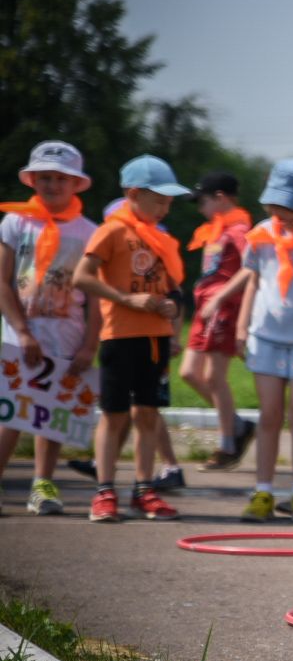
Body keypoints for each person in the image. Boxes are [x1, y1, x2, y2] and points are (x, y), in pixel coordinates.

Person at [209, 160, 293, 523]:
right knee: (269, 415)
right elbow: (253, 280)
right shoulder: (262, 235)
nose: (290, 223)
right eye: (283, 215)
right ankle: (262, 491)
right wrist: (239, 325)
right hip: (266, 335)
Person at [72, 155, 193, 522]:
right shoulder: (111, 231)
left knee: (148, 414)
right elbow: (82, 277)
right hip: (119, 336)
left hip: (154, 338)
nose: (165, 207)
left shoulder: (162, 238)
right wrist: (125, 299)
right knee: (114, 414)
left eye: (170, 201)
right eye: (160, 200)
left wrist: (171, 309)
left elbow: (172, 290)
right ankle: (105, 491)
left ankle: (144, 490)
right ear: (133, 194)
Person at [0, 142, 100, 517]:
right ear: (33, 180)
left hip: (67, 336)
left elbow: (95, 298)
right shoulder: (14, 223)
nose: (52, 185)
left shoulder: (90, 232)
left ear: (75, 183)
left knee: (51, 414)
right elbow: (4, 282)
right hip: (19, 336)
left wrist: (91, 345)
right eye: (45, 177)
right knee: (11, 413)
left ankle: (42, 485)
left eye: (61, 178)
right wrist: (22, 331)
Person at [180, 171, 255, 470]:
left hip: (223, 309)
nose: (200, 208)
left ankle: (227, 444)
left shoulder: (238, 229)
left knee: (213, 377)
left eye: (203, 201)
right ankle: (237, 425)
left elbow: (251, 267)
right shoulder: (215, 230)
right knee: (188, 372)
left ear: (220, 198)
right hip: (205, 309)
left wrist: (222, 297)